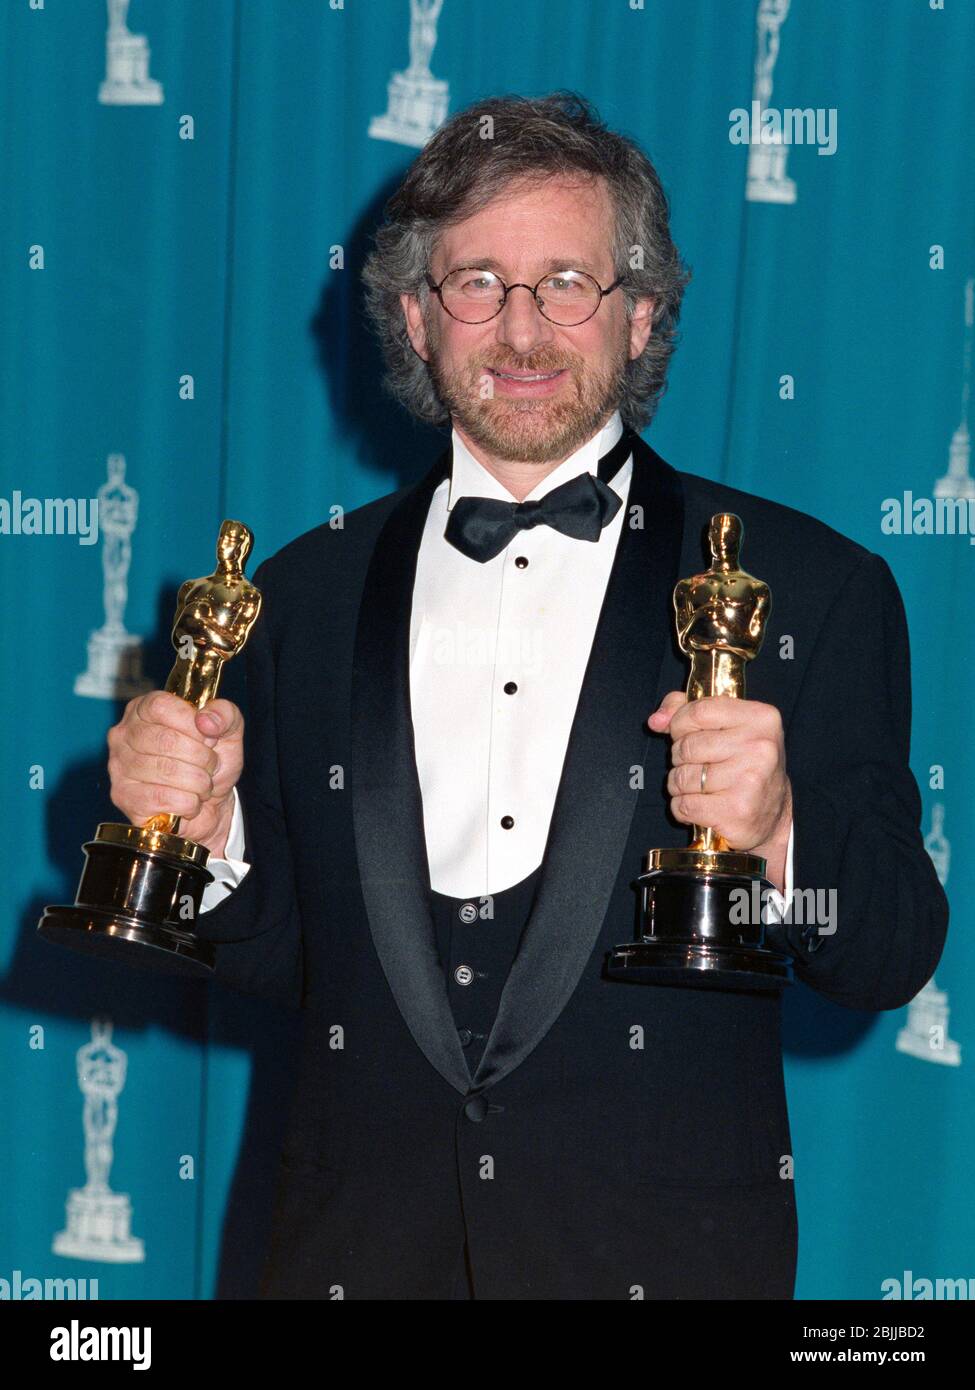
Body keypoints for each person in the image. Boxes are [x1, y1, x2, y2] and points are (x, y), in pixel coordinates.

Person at [104, 93, 947, 1300]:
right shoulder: (300, 594)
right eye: (476, 284)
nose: (522, 328)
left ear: (641, 312)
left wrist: (779, 837)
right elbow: (298, 958)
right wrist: (209, 842)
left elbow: (888, 948)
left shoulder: (812, 584)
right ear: (413, 315)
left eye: (568, 282)